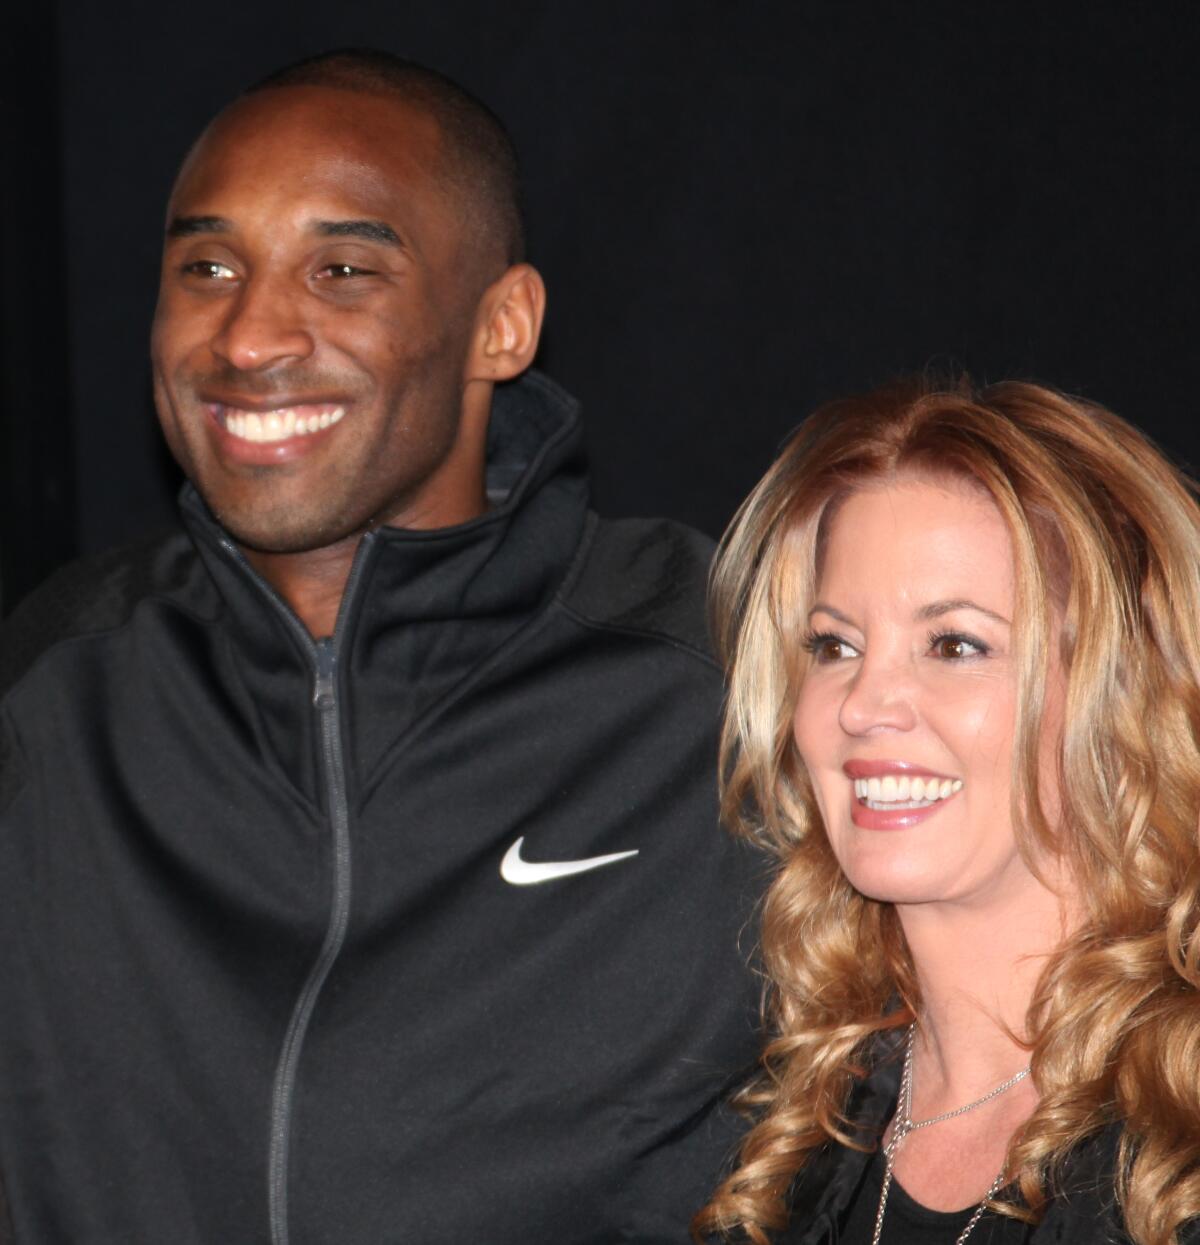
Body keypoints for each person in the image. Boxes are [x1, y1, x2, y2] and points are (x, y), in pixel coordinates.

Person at [0, 50, 761, 1244]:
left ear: (500, 324)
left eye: (342, 269)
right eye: (207, 266)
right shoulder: (46, 688)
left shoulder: (725, 678)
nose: (248, 336)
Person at [693, 376, 1200, 1244]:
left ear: (1124, 693)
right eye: (834, 645)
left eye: (955, 643)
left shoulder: (1175, 1138)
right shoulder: (788, 1119)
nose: (862, 704)